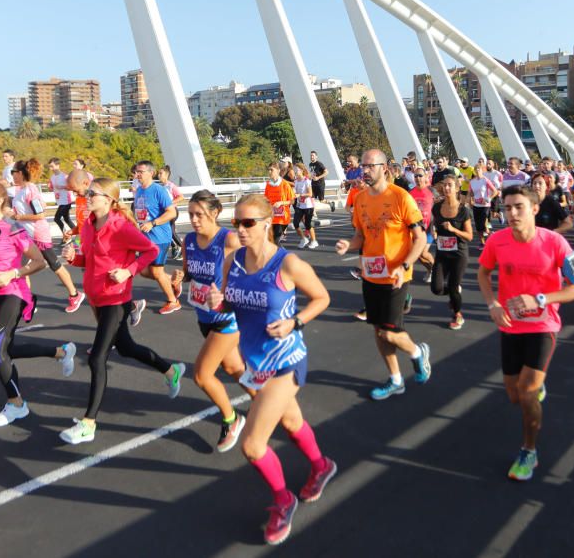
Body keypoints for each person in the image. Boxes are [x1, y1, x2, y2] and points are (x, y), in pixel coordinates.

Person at [206, 193, 334, 546]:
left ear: (267, 223)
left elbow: (322, 298)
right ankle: (322, 466)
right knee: (291, 422)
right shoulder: (233, 261)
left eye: (248, 223)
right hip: (256, 363)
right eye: (237, 223)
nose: (241, 230)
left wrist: (295, 322)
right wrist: (221, 300)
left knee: (252, 445)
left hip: (287, 361)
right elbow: (234, 302)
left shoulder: (287, 264)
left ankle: (283, 500)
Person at [59, 178, 186, 444]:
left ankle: (88, 423)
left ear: (109, 199)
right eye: (87, 192)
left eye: (93, 193)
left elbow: (150, 251)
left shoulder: (120, 227)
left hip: (115, 299)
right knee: (127, 347)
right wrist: (74, 259)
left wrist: (128, 271)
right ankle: (171, 370)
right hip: (96, 296)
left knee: (97, 359)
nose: (87, 196)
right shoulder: (88, 226)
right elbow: (90, 260)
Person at [477, 185, 574, 482]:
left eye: (519, 207)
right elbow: (483, 272)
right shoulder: (497, 241)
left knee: (526, 395)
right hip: (511, 325)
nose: (512, 213)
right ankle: (535, 390)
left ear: (534, 209)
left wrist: (540, 300)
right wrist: (492, 304)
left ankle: (529, 451)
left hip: (543, 325)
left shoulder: (556, 243)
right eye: (507, 207)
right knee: (515, 395)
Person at [0, 181, 77, 427]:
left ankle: (17, 405)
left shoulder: (13, 228)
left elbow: (39, 261)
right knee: (6, 350)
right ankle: (61, 352)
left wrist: (12, 274)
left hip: (14, 293)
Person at [335, 149, 431, 400]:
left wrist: (406, 265)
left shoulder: (401, 197)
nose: (364, 171)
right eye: (362, 166)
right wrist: (349, 245)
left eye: (370, 166)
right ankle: (396, 379)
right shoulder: (361, 198)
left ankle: (418, 353)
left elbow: (419, 238)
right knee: (378, 330)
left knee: (389, 331)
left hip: (396, 275)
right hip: (371, 273)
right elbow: (360, 237)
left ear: (384, 167)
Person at [171, 190, 248, 452]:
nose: (193, 220)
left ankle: (232, 419)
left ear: (215, 213)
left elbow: (257, 268)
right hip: (203, 316)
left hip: (227, 317)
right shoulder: (189, 240)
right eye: (190, 214)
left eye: (199, 215)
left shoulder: (229, 239)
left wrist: (228, 291)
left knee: (203, 376)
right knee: (235, 369)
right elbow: (190, 272)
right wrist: (180, 277)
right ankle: (268, 404)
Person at [11, 159, 86, 313]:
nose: (11, 175)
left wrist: (18, 217)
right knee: (21, 267)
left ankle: (75, 294)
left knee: (54, 264)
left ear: (20, 173)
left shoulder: (30, 190)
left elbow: (40, 214)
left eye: (13, 172)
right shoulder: (21, 189)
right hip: (26, 235)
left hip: (38, 233)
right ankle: (28, 300)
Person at [132, 160, 182, 314]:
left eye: (141, 172)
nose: (137, 174)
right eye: (136, 172)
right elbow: (140, 214)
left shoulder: (159, 190)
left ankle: (173, 301)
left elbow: (171, 212)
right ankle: (173, 281)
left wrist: (153, 223)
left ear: (151, 173)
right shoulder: (139, 190)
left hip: (159, 237)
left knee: (156, 272)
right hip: (145, 238)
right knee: (145, 271)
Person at [430, 176, 472, 329]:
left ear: (456, 188)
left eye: (450, 185)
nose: (447, 188)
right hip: (442, 252)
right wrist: (434, 231)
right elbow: (433, 224)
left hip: (458, 254)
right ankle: (455, 295)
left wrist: (453, 229)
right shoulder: (437, 207)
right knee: (437, 288)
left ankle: (458, 314)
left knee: (453, 287)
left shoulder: (463, 210)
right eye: (445, 185)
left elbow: (469, 236)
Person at [468, 163, 500, 247]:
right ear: (474, 171)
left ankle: (493, 237)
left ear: (482, 170)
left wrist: (489, 198)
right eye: (476, 169)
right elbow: (470, 193)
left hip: (485, 206)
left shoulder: (485, 180)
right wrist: (470, 201)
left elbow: (495, 191)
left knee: (484, 226)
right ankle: (482, 243)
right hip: (476, 206)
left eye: (479, 169)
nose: (477, 171)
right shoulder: (472, 182)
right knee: (478, 227)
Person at [158, 165, 186, 261]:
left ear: (166, 175)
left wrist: (170, 203)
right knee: (165, 232)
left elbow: (181, 197)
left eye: (160, 173)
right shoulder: (161, 187)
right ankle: (175, 247)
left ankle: (183, 250)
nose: (158, 175)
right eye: (158, 173)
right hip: (165, 212)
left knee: (171, 232)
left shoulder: (171, 186)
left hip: (172, 211)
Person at [264, 162, 295, 244]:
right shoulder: (268, 185)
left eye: (271, 170)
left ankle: (283, 256)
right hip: (272, 217)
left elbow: (292, 200)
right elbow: (266, 200)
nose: (269, 172)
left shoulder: (285, 184)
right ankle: (281, 255)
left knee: (275, 241)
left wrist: (281, 203)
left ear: (278, 170)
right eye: (269, 170)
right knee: (271, 242)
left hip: (282, 218)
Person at [292, 163, 318, 249]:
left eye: (297, 170)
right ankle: (304, 239)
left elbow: (310, 194)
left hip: (308, 206)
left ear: (302, 171)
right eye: (294, 170)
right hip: (300, 206)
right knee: (295, 223)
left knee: (307, 224)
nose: (295, 171)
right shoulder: (295, 181)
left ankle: (314, 241)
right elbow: (294, 192)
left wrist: (300, 195)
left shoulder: (306, 180)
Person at [48, 157, 75, 237]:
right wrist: (50, 188)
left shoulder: (65, 176)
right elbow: (53, 188)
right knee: (67, 219)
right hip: (60, 201)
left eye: (52, 166)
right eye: (50, 166)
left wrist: (63, 187)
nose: (51, 168)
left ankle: (66, 236)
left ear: (58, 165)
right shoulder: (52, 177)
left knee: (56, 218)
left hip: (66, 201)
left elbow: (71, 187)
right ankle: (78, 235)